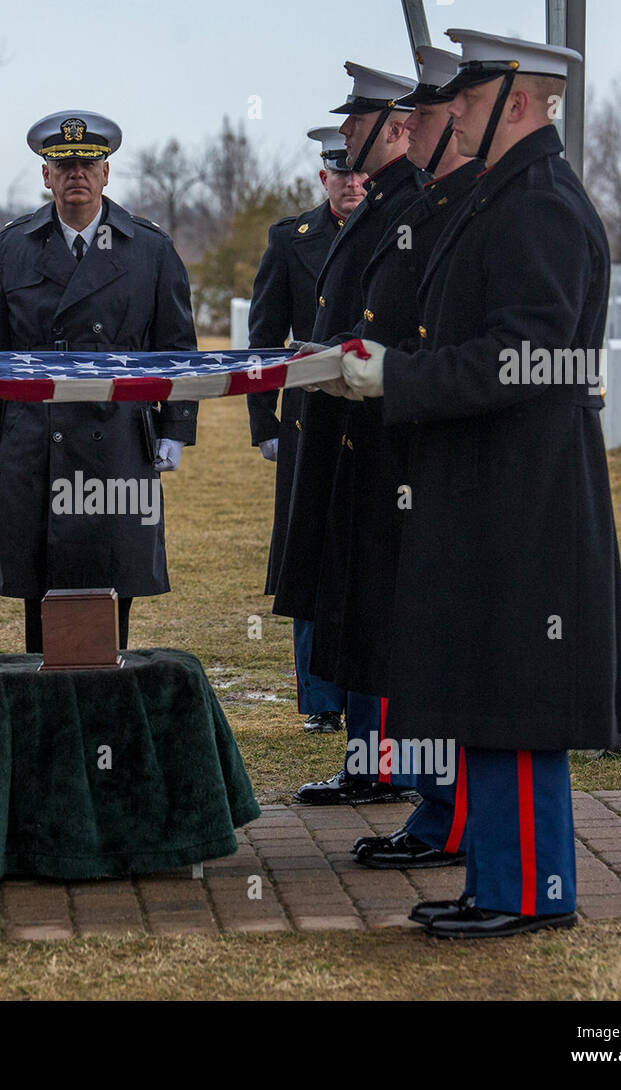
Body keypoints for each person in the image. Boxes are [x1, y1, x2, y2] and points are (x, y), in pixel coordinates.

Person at [334, 29, 621, 937]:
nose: (452, 111)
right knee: (490, 687)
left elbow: (528, 356)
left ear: (524, 101)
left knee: (520, 694)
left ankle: (535, 892)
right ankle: (500, 881)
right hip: (491, 482)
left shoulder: (538, 203)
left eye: (469, 98)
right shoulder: (501, 196)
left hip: (526, 489)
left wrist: (401, 380)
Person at [306, 46, 479, 867]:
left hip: (408, 448)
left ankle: (442, 813)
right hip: (375, 441)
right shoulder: (408, 202)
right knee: (389, 638)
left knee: (417, 645)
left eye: (361, 119)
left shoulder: (439, 206)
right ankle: (432, 809)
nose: (349, 132)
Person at [0, 111, 198, 651]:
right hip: (34, 435)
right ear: (45, 175)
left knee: (111, 577)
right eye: (63, 163)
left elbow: (177, 349)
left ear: (107, 172)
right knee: (39, 581)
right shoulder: (12, 246)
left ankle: (106, 696)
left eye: (87, 163)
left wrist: (175, 428)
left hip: (117, 437)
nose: (76, 173)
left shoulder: (149, 248)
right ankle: (42, 701)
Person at [275, 63, 422, 806]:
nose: (345, 136)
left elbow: (398, 328)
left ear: (397, 128)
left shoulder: (414, 207)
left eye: (357, 124)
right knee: (360, 609)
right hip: (351, 430)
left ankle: (390, 765)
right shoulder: (385, 204)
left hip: (387, 436)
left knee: (384, 612)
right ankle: (369, 762)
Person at [247, 127, 366, 736]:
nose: (350, 183)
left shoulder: (391, 235)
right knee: (308, 550)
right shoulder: (292, 241)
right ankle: (321, 699)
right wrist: (262, 421)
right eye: (338, 175)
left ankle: (367, 688)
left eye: (357, 173)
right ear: (324, 180)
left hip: (371, 412)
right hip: (308, 416)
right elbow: (266, 333)